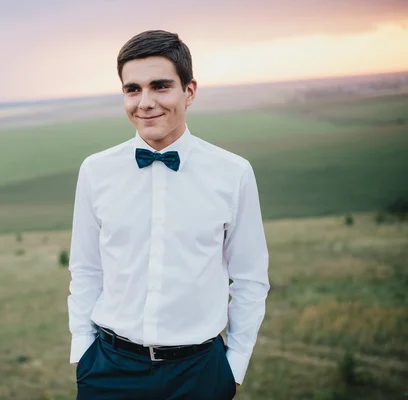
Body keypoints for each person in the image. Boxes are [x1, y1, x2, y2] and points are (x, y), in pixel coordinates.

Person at [67, 30, 270, 400]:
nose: (145, 102)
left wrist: (233, 367)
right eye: (133, 89)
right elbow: (86, 268)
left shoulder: (233, 173)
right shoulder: (95, 171)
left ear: (189, 91)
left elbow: (250, 279)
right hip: (109, 370)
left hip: (199, 374)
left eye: (160, 86)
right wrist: (83, 352)